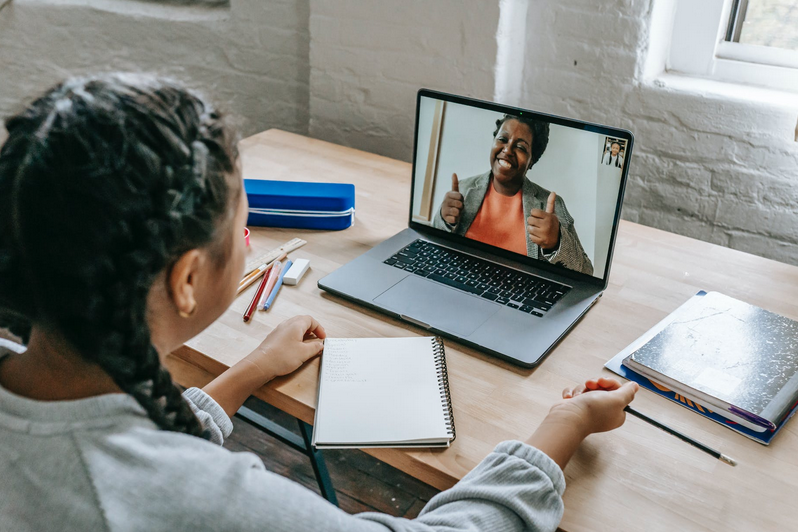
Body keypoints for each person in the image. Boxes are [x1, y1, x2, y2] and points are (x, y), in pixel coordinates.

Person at [0, 74, 637, 531]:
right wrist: (564, 426)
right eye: (242, 221)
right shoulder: (208, 502)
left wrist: (244, 374)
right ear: (187, 279)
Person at [432, 114, 593, 275]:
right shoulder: (463, 189)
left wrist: (557, 243)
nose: (507, 150)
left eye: (521, 147)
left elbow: (586, 272)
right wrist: (443, 219)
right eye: (502, 139)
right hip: (461, 282)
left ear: (532, 161)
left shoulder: (551, 205)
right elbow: (434, 247)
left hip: (518, 296)